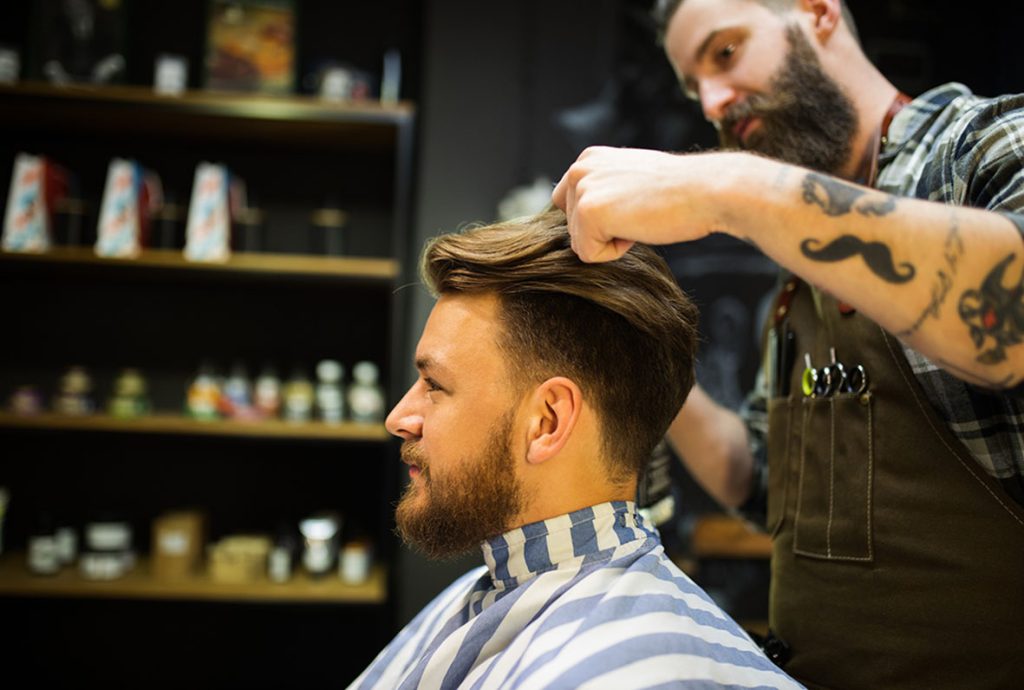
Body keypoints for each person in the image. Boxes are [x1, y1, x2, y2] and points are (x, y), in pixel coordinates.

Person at [552, 0, 1024, 688]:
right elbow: (763, 481)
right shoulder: (798, 265)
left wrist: (725, 185)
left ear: (817, 11)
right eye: (694, 86)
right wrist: (643, 357)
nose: (712, 103)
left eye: (725, 52)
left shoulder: (986, 146)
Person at [349, 210, 803, 689]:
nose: (398, 418)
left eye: (434, 385)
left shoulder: (634, 676)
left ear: (548, 421)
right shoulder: (492, 588)